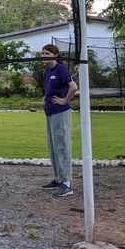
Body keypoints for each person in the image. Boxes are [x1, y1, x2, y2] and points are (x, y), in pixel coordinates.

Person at [40, 44, 79, 198]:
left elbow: (73, 87)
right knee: (53, 147)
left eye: (47, 53)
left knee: (62, 146)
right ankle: (58, 179)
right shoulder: (48, 70)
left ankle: (66, 183)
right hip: (50, 112)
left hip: (60, 113)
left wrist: (64, 100)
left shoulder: (60, 69)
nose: (44, 55)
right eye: (42, 53)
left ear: (55, 55)